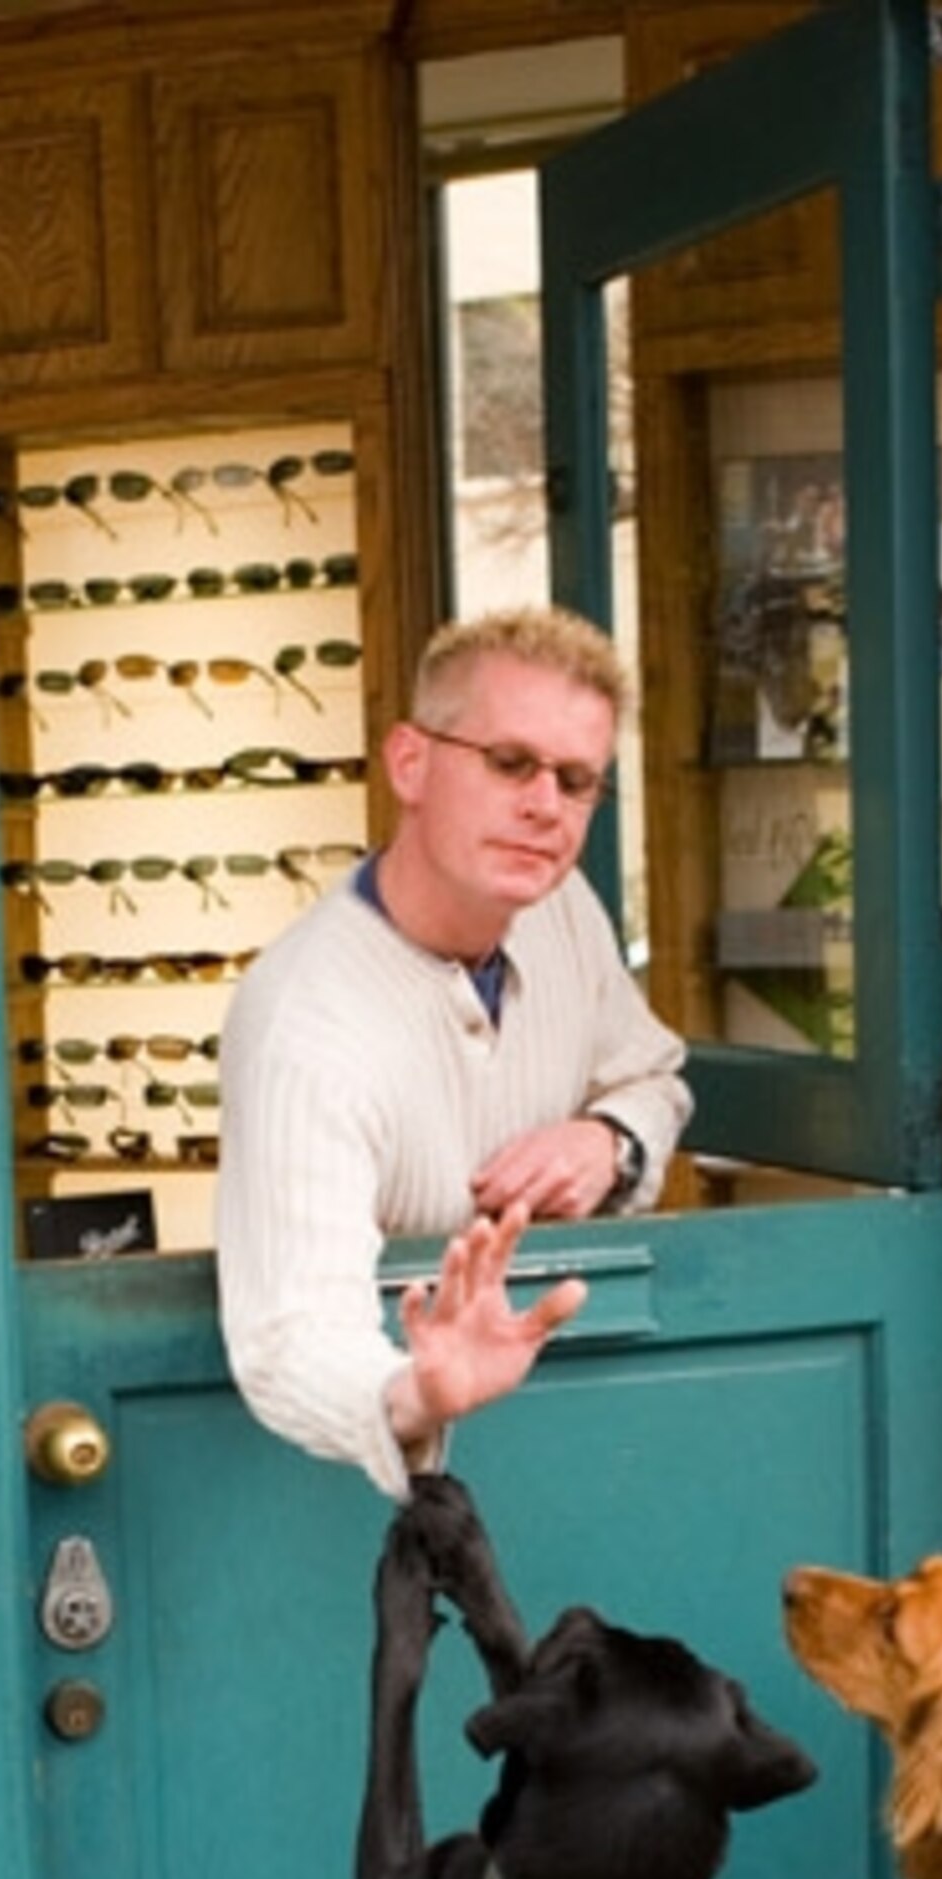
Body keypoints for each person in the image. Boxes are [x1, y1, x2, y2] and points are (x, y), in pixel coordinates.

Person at [216, 605, 691, 1495]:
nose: (544, 805)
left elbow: (653, 1077)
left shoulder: (563, 906)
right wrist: (412, 1392)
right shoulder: (305, 1024)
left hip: (592, 1448)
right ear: (411, 762)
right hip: (348, 1510)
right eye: (510, 763)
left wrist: (608, 1141)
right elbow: (290, 1338)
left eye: (577, 780)